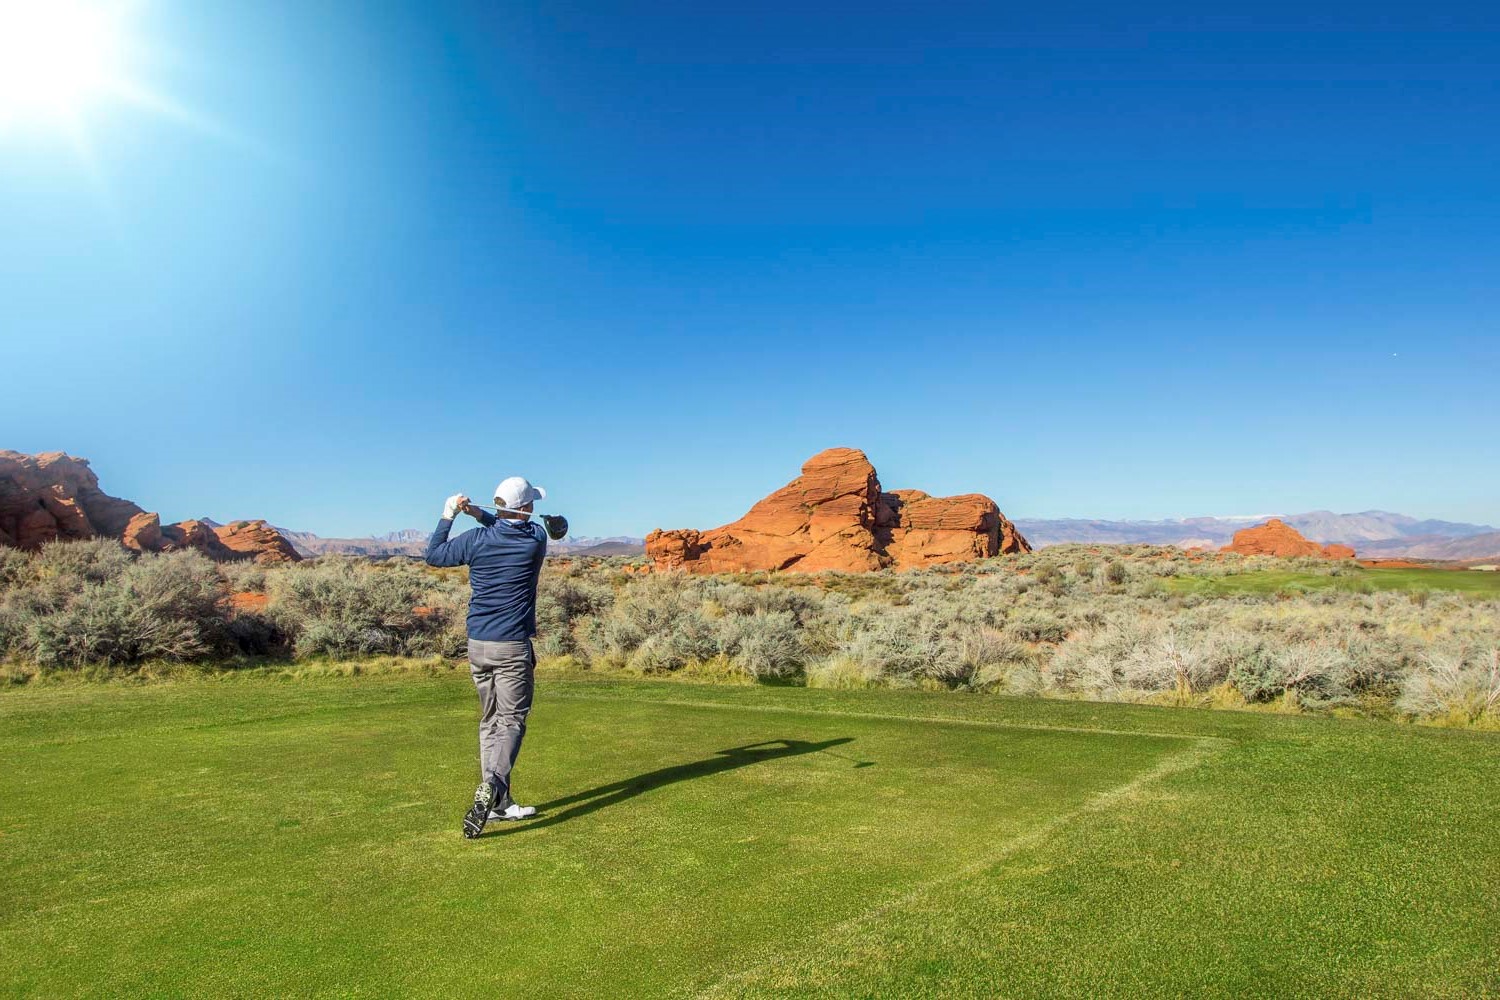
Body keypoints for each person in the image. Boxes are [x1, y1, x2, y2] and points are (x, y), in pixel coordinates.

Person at [426, 475, 549, 839]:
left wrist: (451, 514)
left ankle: (499, 804)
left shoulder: (477, 539)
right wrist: (480, 512)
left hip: (478, 644)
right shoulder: (534, 539)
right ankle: (494, 786)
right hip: (512, 646)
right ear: (525, 508)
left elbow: (433, 554)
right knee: (512, 721)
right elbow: (513, 523)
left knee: (490, 720)